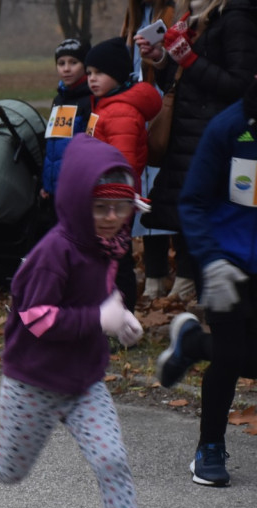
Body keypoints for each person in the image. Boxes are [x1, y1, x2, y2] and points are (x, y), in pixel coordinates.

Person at [0, 134, 173, 508]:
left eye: (120, 208)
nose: (113, 218)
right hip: (32, 380)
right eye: (100, 208)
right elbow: (35, 319)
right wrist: (99, 318)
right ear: (77, 203)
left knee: (112, 460)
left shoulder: (108, 245)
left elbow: (96, 295)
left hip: (84, 381)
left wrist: (119, 317)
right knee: (12, 470)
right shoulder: (54, 253)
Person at [154, 76, 257, 487]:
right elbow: (192, 201)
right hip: (224, 260)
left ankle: (194, 344)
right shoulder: (228, 127)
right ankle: (209, 449)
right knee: (232, 357)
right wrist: (212, 260)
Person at [136, 0, 257, 301]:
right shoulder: (192, 19)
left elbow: (241, 86)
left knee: (209, 210)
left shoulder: (236, 18)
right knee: (186, 208)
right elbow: (184, 80)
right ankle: (200, 293)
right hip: (188, 132)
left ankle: (206, 294)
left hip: (217, 135)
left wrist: (187, 58)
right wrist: (163, 59)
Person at [85, 37, 163, 312]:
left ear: (117, 75)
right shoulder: (105, 105)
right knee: (106, 259)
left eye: (99, 73)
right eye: (90, 73)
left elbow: (124, 162)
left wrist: (115, 201)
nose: (92, 79)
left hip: (115, 201)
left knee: (116, 261)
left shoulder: (120, 111)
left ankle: (122, 320)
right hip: (104, 197)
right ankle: (106, 315)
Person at [119, 0, 177, 299]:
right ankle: (154, 272)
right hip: (135, 105)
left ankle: (177, 273)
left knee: (166, 183)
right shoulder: (131, 17)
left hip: (162, 105)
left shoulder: (173, 11)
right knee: (142, 188)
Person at [41, 38, 92, 201]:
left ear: (85, 65)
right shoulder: (58, 100)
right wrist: (47, 184)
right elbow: (53, 144)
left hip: (78, 189)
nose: (66, 69)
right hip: (54, 191)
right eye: (61, 63)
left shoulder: (90, 100)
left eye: (73, 62)